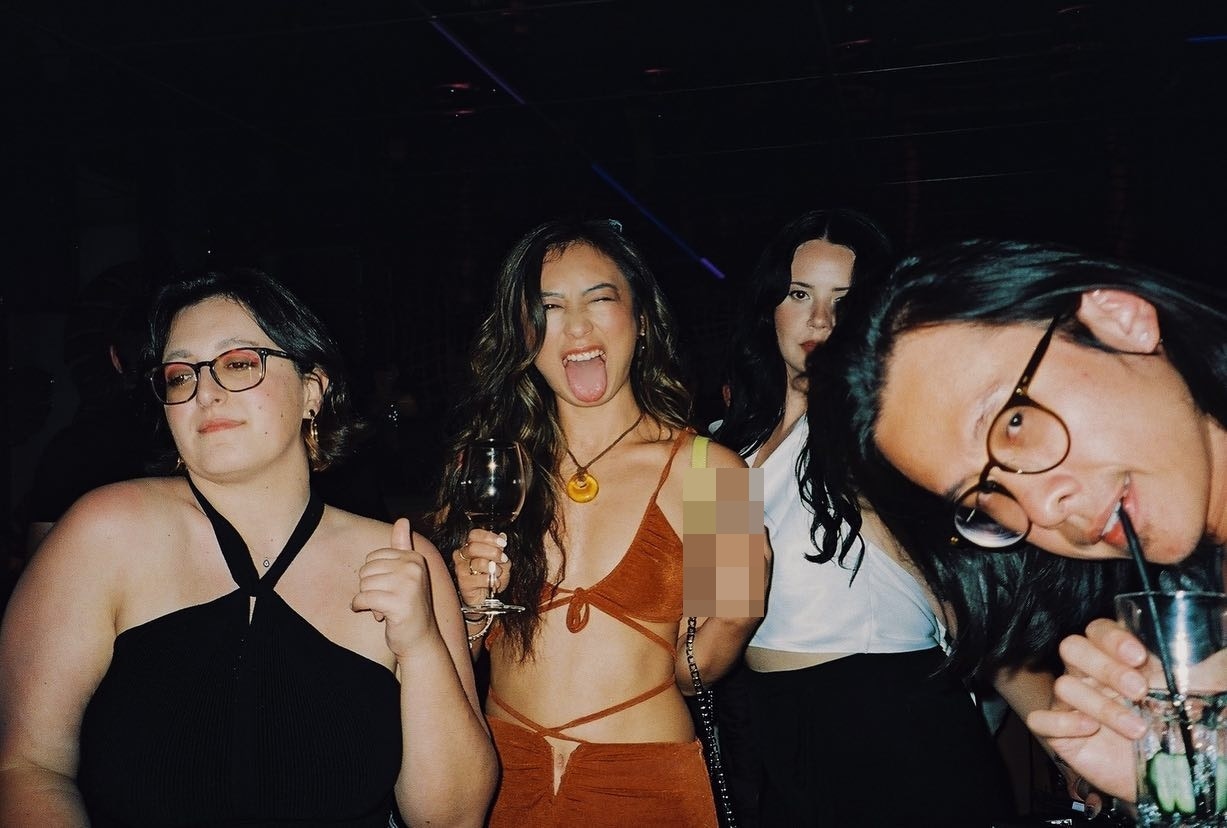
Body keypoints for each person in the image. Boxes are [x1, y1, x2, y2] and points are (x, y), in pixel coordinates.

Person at [0, 269, 496, 826]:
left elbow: (451, 818)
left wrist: (422, 647)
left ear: (312, 390)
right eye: (180, 375)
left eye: (238, 363)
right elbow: (29, 766)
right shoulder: (106, 532)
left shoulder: (404, 560)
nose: (205, 391)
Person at [822, 237, 1227, 803]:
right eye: (985, 496)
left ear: (1119, 320)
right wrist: (1180, 792)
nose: (1039, 511)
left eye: (1014, 422)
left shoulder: (716, 472)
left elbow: (725, 626)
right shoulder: (727, 456)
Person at [433, 218, 762, 827]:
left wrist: (737, 610)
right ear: (522, 333)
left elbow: (694, 677)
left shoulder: (713, 470)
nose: (577, 326)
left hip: (644, 782)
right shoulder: (488, 467)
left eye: (599, 298)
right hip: (502, 773)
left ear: (642, 318)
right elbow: (456, 660)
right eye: (549, 307)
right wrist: (470, 612)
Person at [714, 209, 1026, 826]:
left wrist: (1055, 727)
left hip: (892, 708)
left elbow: (968, 602)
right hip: (776, 724)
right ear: (768, 306)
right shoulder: (717, 449)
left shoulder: (893, 435)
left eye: (844, 299)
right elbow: (708, 626)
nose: (820, 319)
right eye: (799, 294)